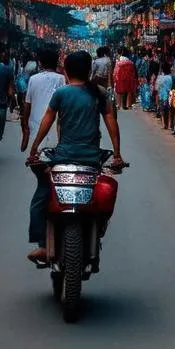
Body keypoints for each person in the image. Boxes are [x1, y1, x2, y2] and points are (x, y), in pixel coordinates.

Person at [25, 50, 124, 263]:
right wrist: (117, 154)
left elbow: (47, 122)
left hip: (62, 158)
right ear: (89, 71)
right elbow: (111, 123)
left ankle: (43, 245)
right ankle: (97, 231)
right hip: (91, 159)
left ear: (66, 71)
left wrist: (34, 149)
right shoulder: (99, 93)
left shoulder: (61, 94)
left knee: (42, 195)